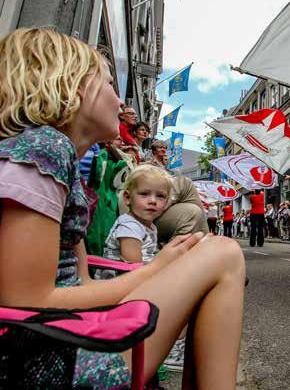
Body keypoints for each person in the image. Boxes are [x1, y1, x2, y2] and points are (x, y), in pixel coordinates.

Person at [0, 28, 245, 388]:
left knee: (208, 255)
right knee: (223, 252)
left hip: (58, 340)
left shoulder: (49, 152)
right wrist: (154, 271)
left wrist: (164, 275)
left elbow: (79, 282)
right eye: (111, 86)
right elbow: (23, 297)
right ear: (73, 86)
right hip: (51, 363)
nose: (120, 103)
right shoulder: (44, 147)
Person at [101, 165, 171, 277]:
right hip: (119, 286)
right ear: (128, 198)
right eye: (144, 194)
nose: (153, 201)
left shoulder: (150, 226)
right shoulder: (129, 227)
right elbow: (133, 270)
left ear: (167, 203)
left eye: (160, 196)